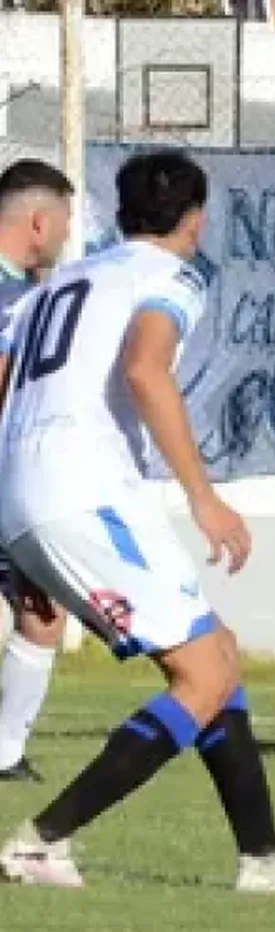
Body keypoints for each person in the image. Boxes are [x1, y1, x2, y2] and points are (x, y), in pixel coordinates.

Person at [0, 150, 275, 894]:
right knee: (203, 672)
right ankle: (42, 842)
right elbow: (144, 369)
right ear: (195, 220)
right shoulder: (170, 275)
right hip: (87, 492)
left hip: (28, 493)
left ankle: (264, 857)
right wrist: (204, 496)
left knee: (214, 654)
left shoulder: (48, 287)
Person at [0, 159, 75, 783]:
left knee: (42, 606)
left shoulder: (34, 296)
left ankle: (4, 752)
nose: (68, 234)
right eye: (65, 220)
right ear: (38, 220)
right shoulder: (14, 302)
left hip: (15, 481)